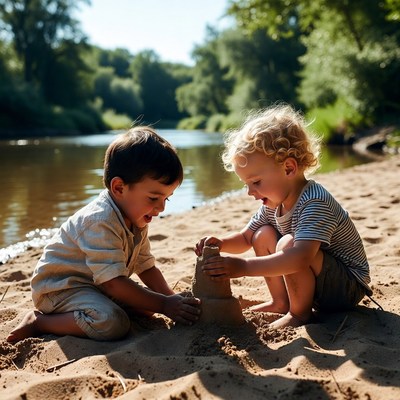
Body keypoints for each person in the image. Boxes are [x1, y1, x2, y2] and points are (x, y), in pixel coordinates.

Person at [7, 127, 201, 343]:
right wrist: (165, 305)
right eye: (154, 198)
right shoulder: (100, 220)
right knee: (112, 323)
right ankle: (40, 322)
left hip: (97, 285)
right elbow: (113, 283)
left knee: (148, 307)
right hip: (61, 289)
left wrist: (169, 298)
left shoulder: (136, 214)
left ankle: (102, 308)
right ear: (119, 187)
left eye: (167, 199)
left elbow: (145, 265)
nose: (161, 208)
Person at [195, 104, 372, 329]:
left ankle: (299, 314)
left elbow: (300, 259)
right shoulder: (274, 202)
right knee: (262, 235)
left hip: (345, 287)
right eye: (246, 184)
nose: (250, 191)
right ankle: (281, 301)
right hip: (317, 281)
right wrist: (221, 243)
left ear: (288, 168)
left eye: (256, 182)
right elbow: (247, 237)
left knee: (288, 244)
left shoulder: (314, 201)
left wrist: (243, 267)